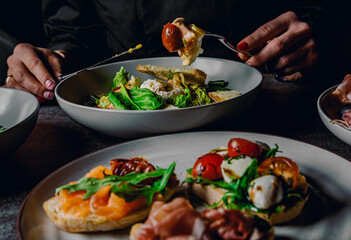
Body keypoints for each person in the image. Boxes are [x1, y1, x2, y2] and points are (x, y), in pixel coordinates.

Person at [5, 0, 325, 100]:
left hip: (260, 102)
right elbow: (73, 33)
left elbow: (318, 11)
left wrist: (315, 38)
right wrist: (54, 62)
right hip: (118, 121)